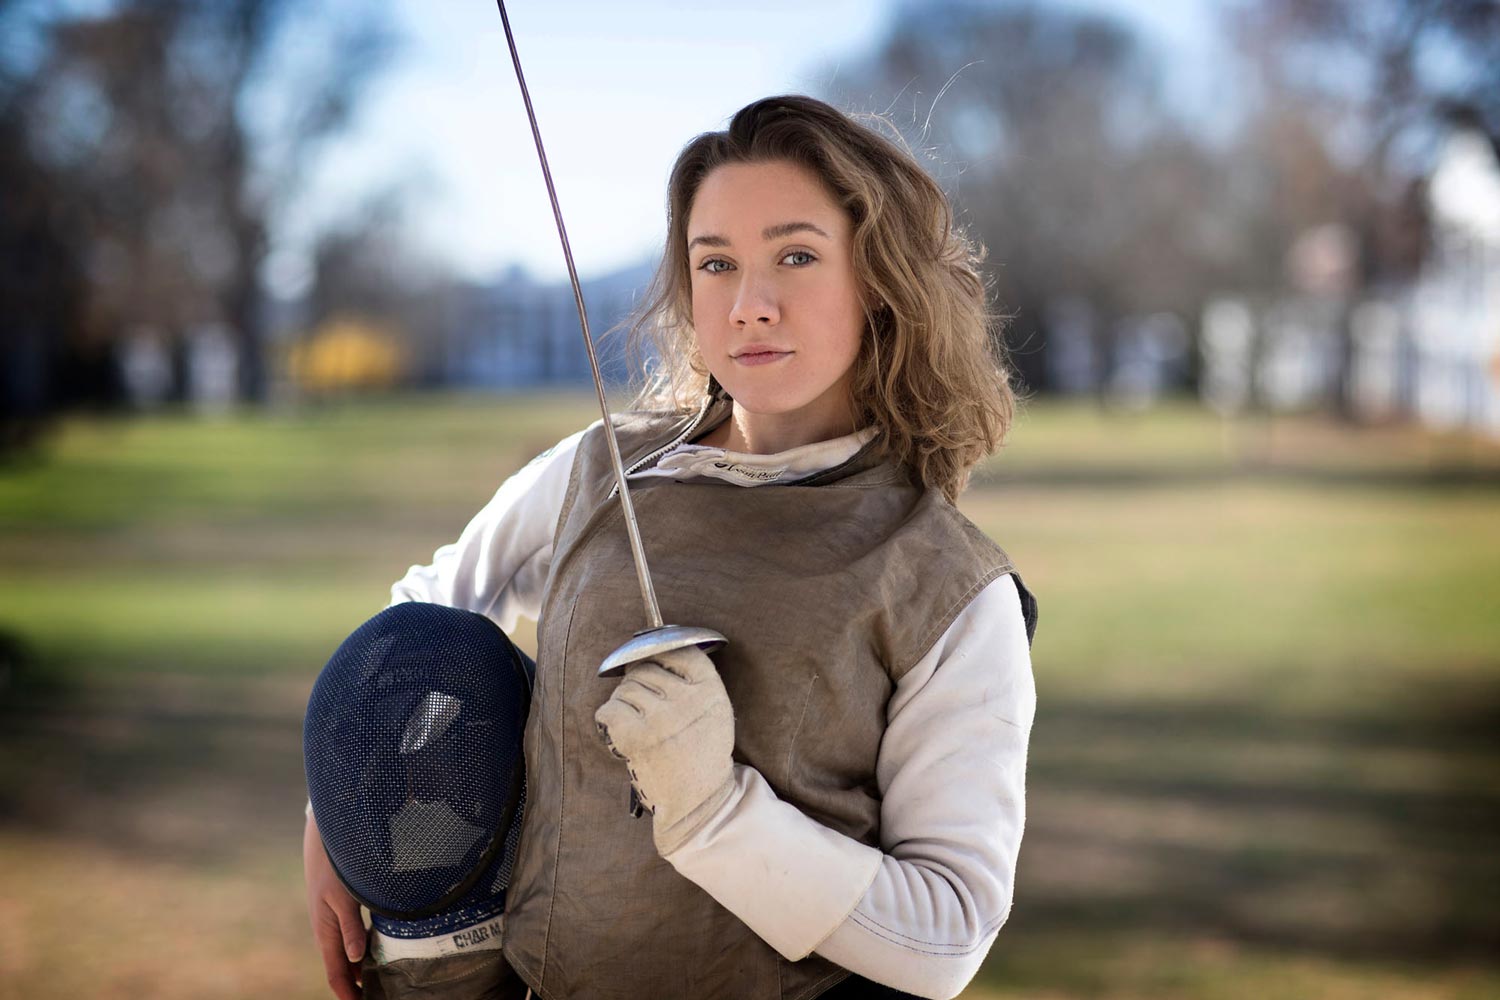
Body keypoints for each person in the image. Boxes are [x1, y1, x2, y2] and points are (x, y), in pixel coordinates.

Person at [303, 94, 1038, 1000]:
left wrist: (714, 811)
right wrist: (338, 805)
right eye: (716, 263)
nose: (751, 305)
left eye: (796, 256)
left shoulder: (950, 583)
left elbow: (949, 935)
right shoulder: (598, 470)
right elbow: (419, 628)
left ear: (878, 280)